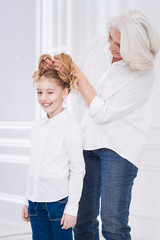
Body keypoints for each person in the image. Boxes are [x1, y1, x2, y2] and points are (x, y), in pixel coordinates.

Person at [41, 9, 160, 240]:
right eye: (110, 37)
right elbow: (83, 90)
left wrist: (76, 70)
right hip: (86, 141)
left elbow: (103, 112)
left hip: (118, 147)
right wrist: (62, 72)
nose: (111, 45)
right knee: (82, 221)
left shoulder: (144, 75)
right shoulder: (100, 44)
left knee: (113, 225)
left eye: (118, 44)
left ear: (134, 48)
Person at [22, 53, 85, 240]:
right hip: (36, 204)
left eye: (50, 92)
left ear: (64, 93)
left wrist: (72, 208)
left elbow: (77, 170)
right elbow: (33, 167)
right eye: (40, 92)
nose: (44, 98)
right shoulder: (36, 128)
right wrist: (27, 199)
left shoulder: (71, 128)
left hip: (58, 204)